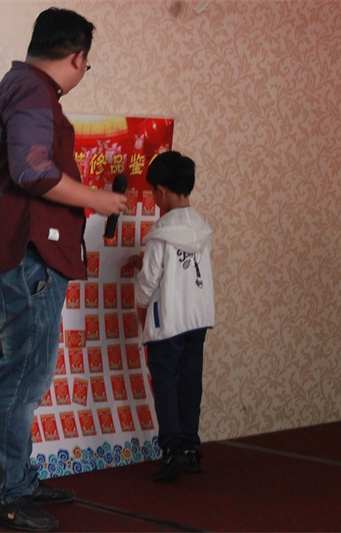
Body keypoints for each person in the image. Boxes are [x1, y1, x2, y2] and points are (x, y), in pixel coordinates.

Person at [0, 8, 127, 532]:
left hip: (7, 254)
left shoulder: (14, 88)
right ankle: (10, 495)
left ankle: (20, 480)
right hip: (25, 255)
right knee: (24, 378)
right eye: (87, 63)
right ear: (77, 57)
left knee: (19, 372)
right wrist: (99, 199)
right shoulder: (34, 93)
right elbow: (34, 171)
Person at [125, 151, 216, 483]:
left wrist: (138, 305)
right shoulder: (201, 227)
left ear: (160, 191)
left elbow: (150, 280)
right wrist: (143, 258)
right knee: (190, 384)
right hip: (198, 318)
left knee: (165, 385)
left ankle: (171, 449)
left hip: (169, 322)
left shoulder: (161, 231)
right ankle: (190, 448)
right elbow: (184, 267)